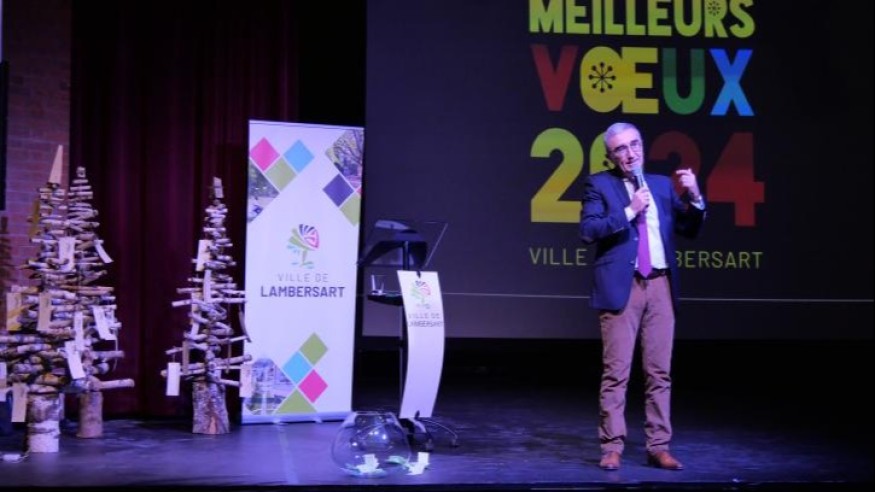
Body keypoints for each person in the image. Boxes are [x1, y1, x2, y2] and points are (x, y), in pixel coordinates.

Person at [579, 122, 705, 471]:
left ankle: (658, 446)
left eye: (634, 145)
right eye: (621, 148)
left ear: (642, 147)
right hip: (623, 287)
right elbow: (588, 230)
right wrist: (630, 210)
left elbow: (689, 229)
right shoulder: (598, 184)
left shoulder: (661, 185)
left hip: (661, 286)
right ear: (610, 155)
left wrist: (695, 197)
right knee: (616, 372)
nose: (630, 153)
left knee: (659, 373)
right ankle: (612, 447)